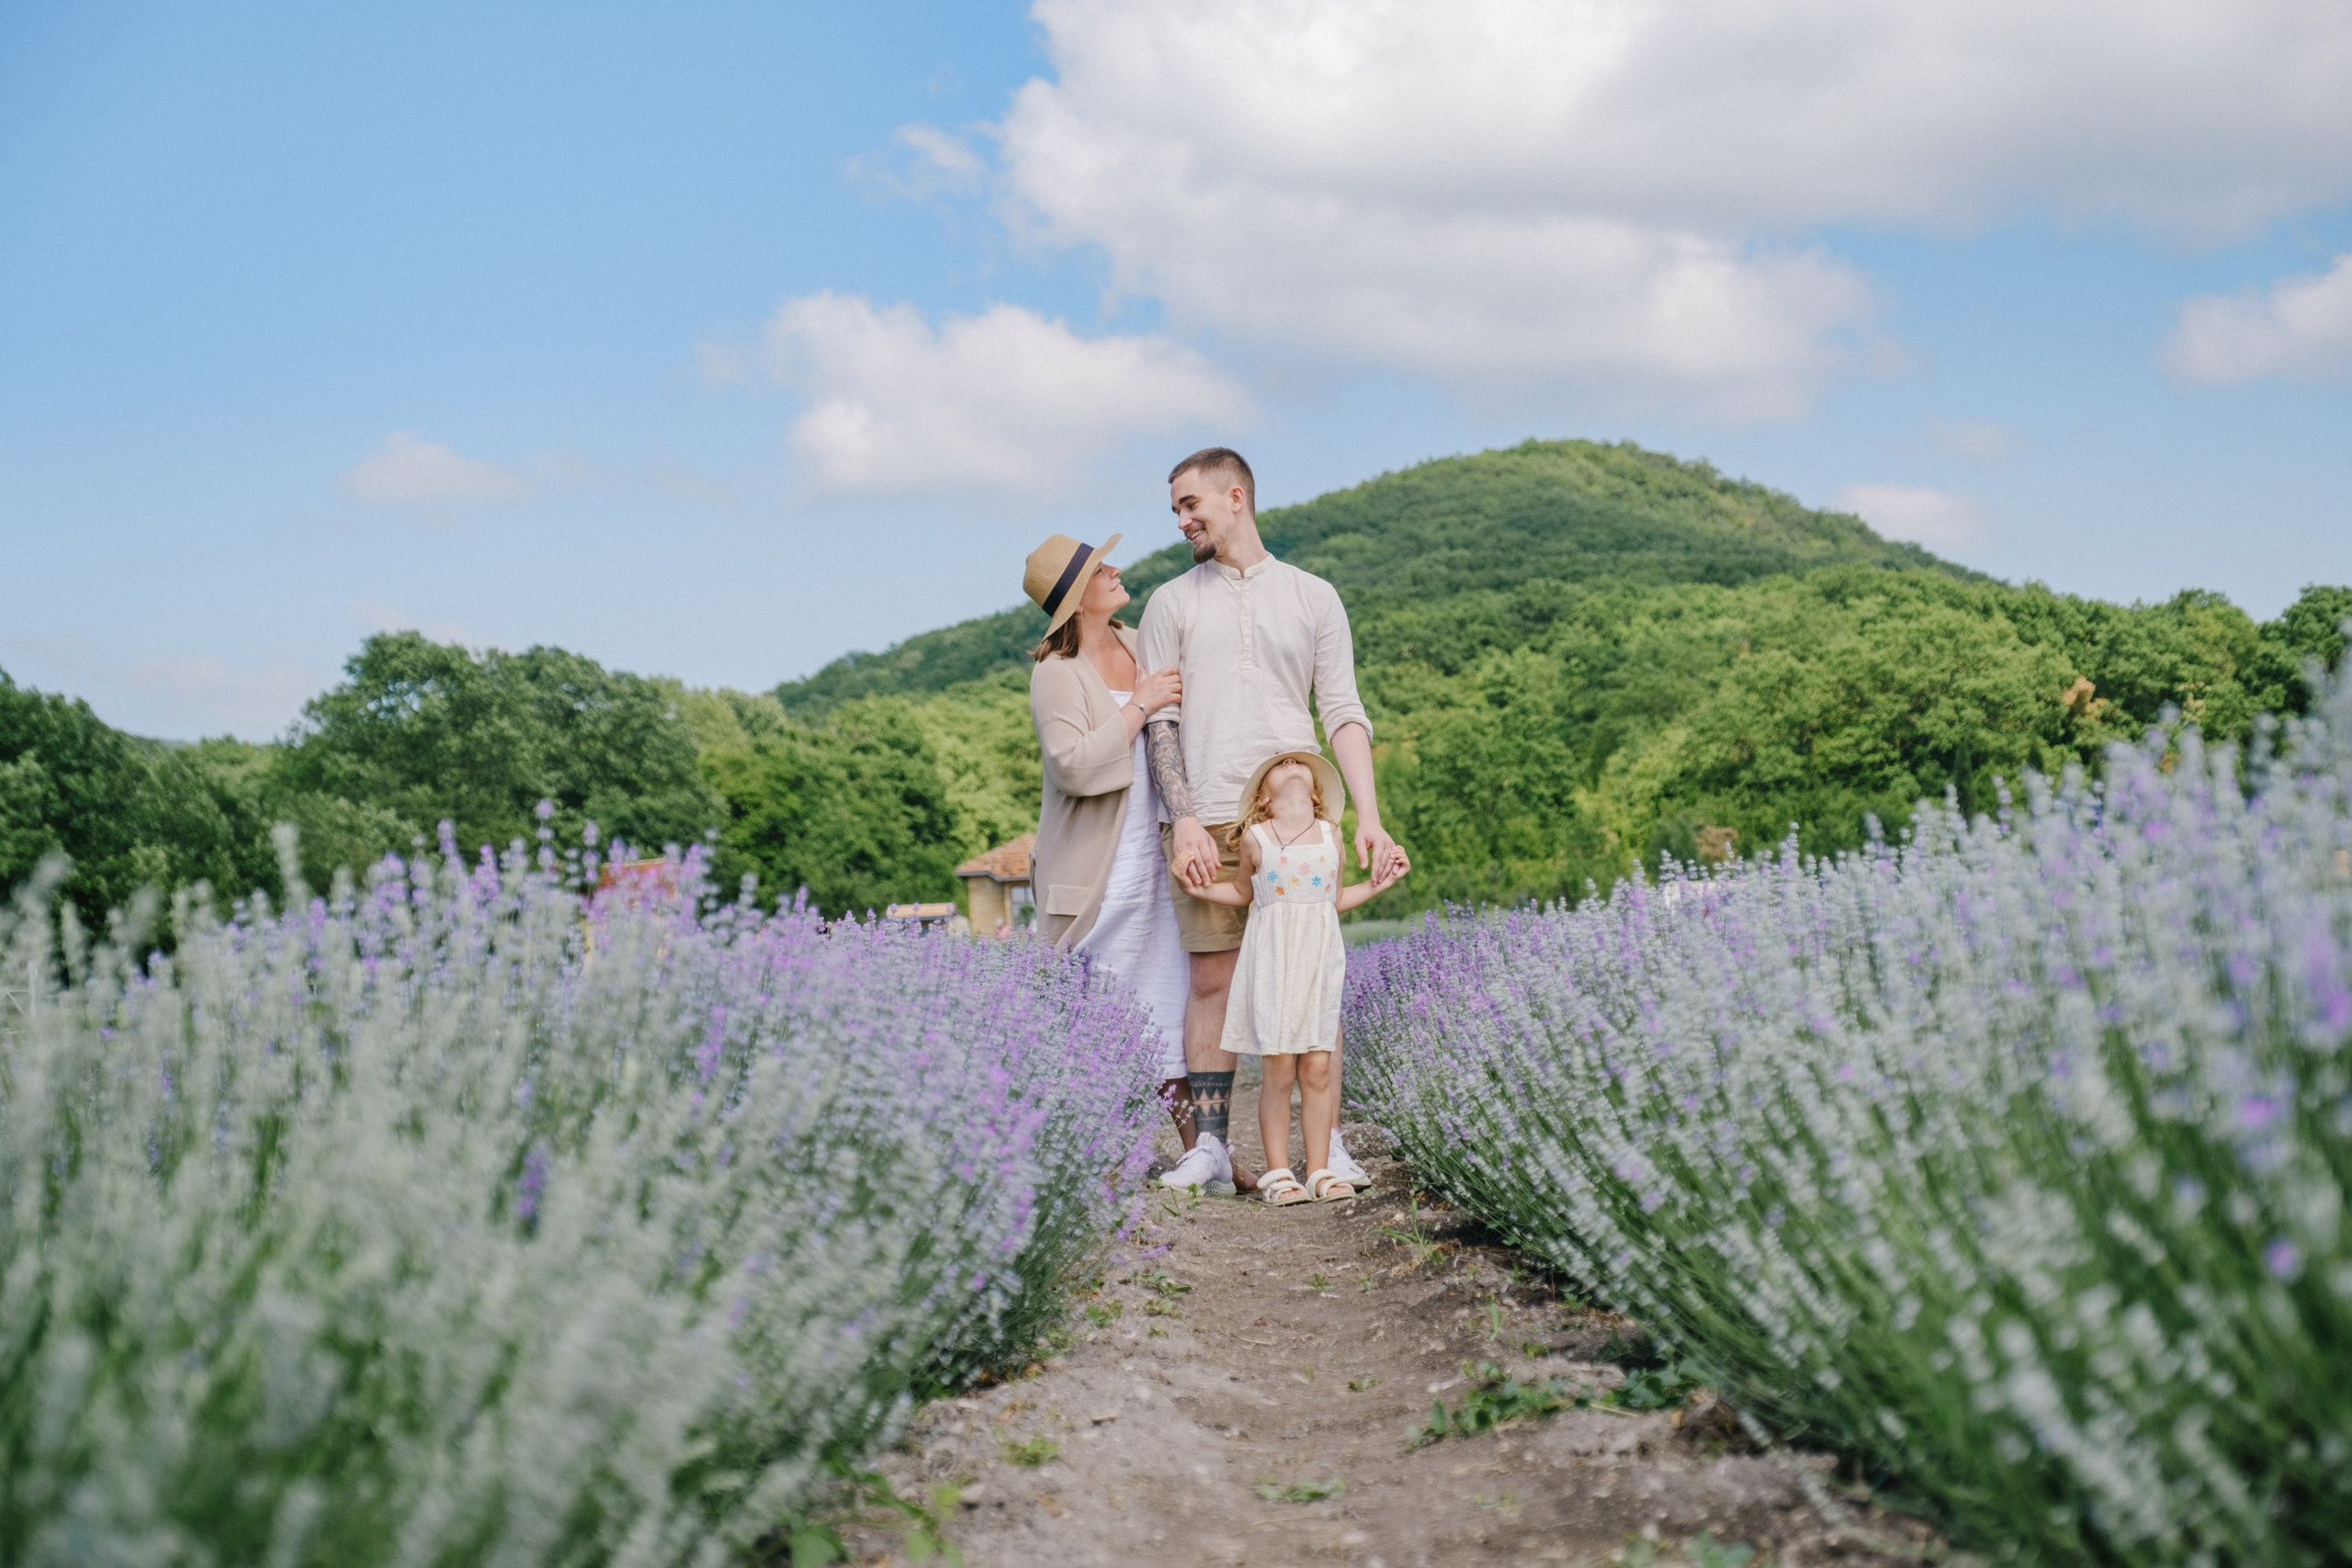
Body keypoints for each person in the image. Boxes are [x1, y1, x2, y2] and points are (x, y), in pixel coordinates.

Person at [1142, 446, 1405, 1197]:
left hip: (1301, 821)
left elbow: (1344, 713)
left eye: (1191, 504)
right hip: (1209, 816)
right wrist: (1184, 817)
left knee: (1312, 976)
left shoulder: (1313, 596)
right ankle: (1216, 1151)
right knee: (1213, 978)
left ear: (1236, 495)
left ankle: (1328, 1148)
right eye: (1175, 510)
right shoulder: (1171, 603)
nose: (1183, 520)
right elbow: (1161, 720)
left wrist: (1369, 818)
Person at [1023, 533, 1211, 1179]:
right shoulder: (1055, 673)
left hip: (1158, 856)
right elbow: (1073, 767)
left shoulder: (1138, 644)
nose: (1117, 570)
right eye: (1102, 569)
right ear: (1077, 598)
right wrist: (1139, 705)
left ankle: (1203, 1152)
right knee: (1097, 1020)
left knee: (1170, 1001)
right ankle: (1095, 1161)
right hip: (1096, 872)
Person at [1182, 750, 1407, 1203]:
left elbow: (1334, 898)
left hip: (1319, 961)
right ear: (1264, 798)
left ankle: (1321, 1170)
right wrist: (1198, 887)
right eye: (1279, 764)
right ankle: (1279, 1173)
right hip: (1273, 963)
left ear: (1316, 791)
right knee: (1280, 1068)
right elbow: (1245, 893)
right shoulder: (1256, 839)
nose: (1290, 761)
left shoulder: (1331, 836)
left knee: (1319, 1067)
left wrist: (1382, 883)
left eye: (1298, 762)